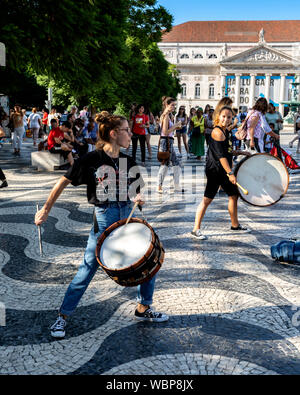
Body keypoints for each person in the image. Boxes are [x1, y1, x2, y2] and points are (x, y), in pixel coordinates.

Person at [35, 114, 168, 339]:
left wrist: (138, 197)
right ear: (114, 134)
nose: (131, 133)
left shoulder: (128, 160)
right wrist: (46, 209)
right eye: (126, 129)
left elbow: (137, 190)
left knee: (148, 260)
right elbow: (63, 181)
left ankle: (144, 308)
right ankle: (62, 316)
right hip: (105, 219)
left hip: (127, 216)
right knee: (87, 269)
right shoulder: (91, 159)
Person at [191, 106, 251, 240]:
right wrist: (230, 173)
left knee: (234, 195)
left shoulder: (226, 132)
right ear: (218, 117)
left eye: (229, 117)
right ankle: (195, 229)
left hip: (223, 170)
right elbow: (221, 156)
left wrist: (241, 152)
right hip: (215, 170)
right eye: (224, 116)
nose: (226, 119)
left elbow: (228, 151)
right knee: (207, 199)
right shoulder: (217, 132)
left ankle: (235, 225)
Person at [157, 97, 183, 193]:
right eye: (172, 105)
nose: (174, 107)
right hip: (166, 142)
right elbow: (165, 131)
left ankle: (175, 185)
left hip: (168, 141)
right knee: (166, 163)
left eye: (174, 105)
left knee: (174, 163)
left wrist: (175, 126)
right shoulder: (166, 116)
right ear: (166, 105)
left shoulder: (167, 115)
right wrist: (175, 126)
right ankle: (160, 186)